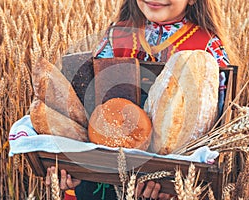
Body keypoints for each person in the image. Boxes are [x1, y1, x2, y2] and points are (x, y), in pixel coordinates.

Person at [46, 0, 236, 199]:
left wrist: (174, 187)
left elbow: (216, 128)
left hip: (169, 181)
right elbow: (87, 112)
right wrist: (74, 170)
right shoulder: (115, 38)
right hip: (105, 177)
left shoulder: (207, 47)